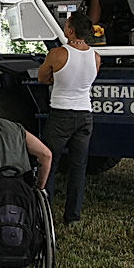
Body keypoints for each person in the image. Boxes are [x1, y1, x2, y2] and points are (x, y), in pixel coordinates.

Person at [38, 11, 102, 224]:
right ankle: (72, 216)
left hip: (61, 114)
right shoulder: (95, 57)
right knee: (78, 167)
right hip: (85, 115)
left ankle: (44, 211)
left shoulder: (57, 53)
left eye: (66, 25)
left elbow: (42, 77)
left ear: (71, 30)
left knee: (49, 162)